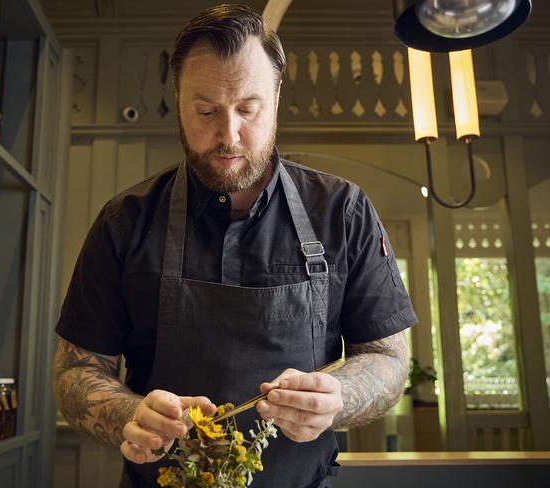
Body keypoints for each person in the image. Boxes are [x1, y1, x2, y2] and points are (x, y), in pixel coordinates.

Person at [53, 4, 417, 487]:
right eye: (205, 111)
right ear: (178, 99)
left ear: (277, 97)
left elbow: (389, 358)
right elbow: (75, 372)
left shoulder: (342, 212)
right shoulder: (125, 221)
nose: (228, 135)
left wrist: (338, 397)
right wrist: (128, 413)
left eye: (249, 108)